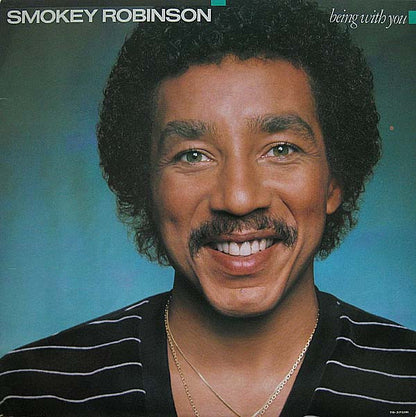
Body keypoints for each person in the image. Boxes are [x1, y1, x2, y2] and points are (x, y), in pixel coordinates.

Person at [1, 0, 415, 416]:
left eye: (280, 149)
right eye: (193, 155)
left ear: (333, 180)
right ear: (146, 185)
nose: (238, 199)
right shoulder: (28, 393)